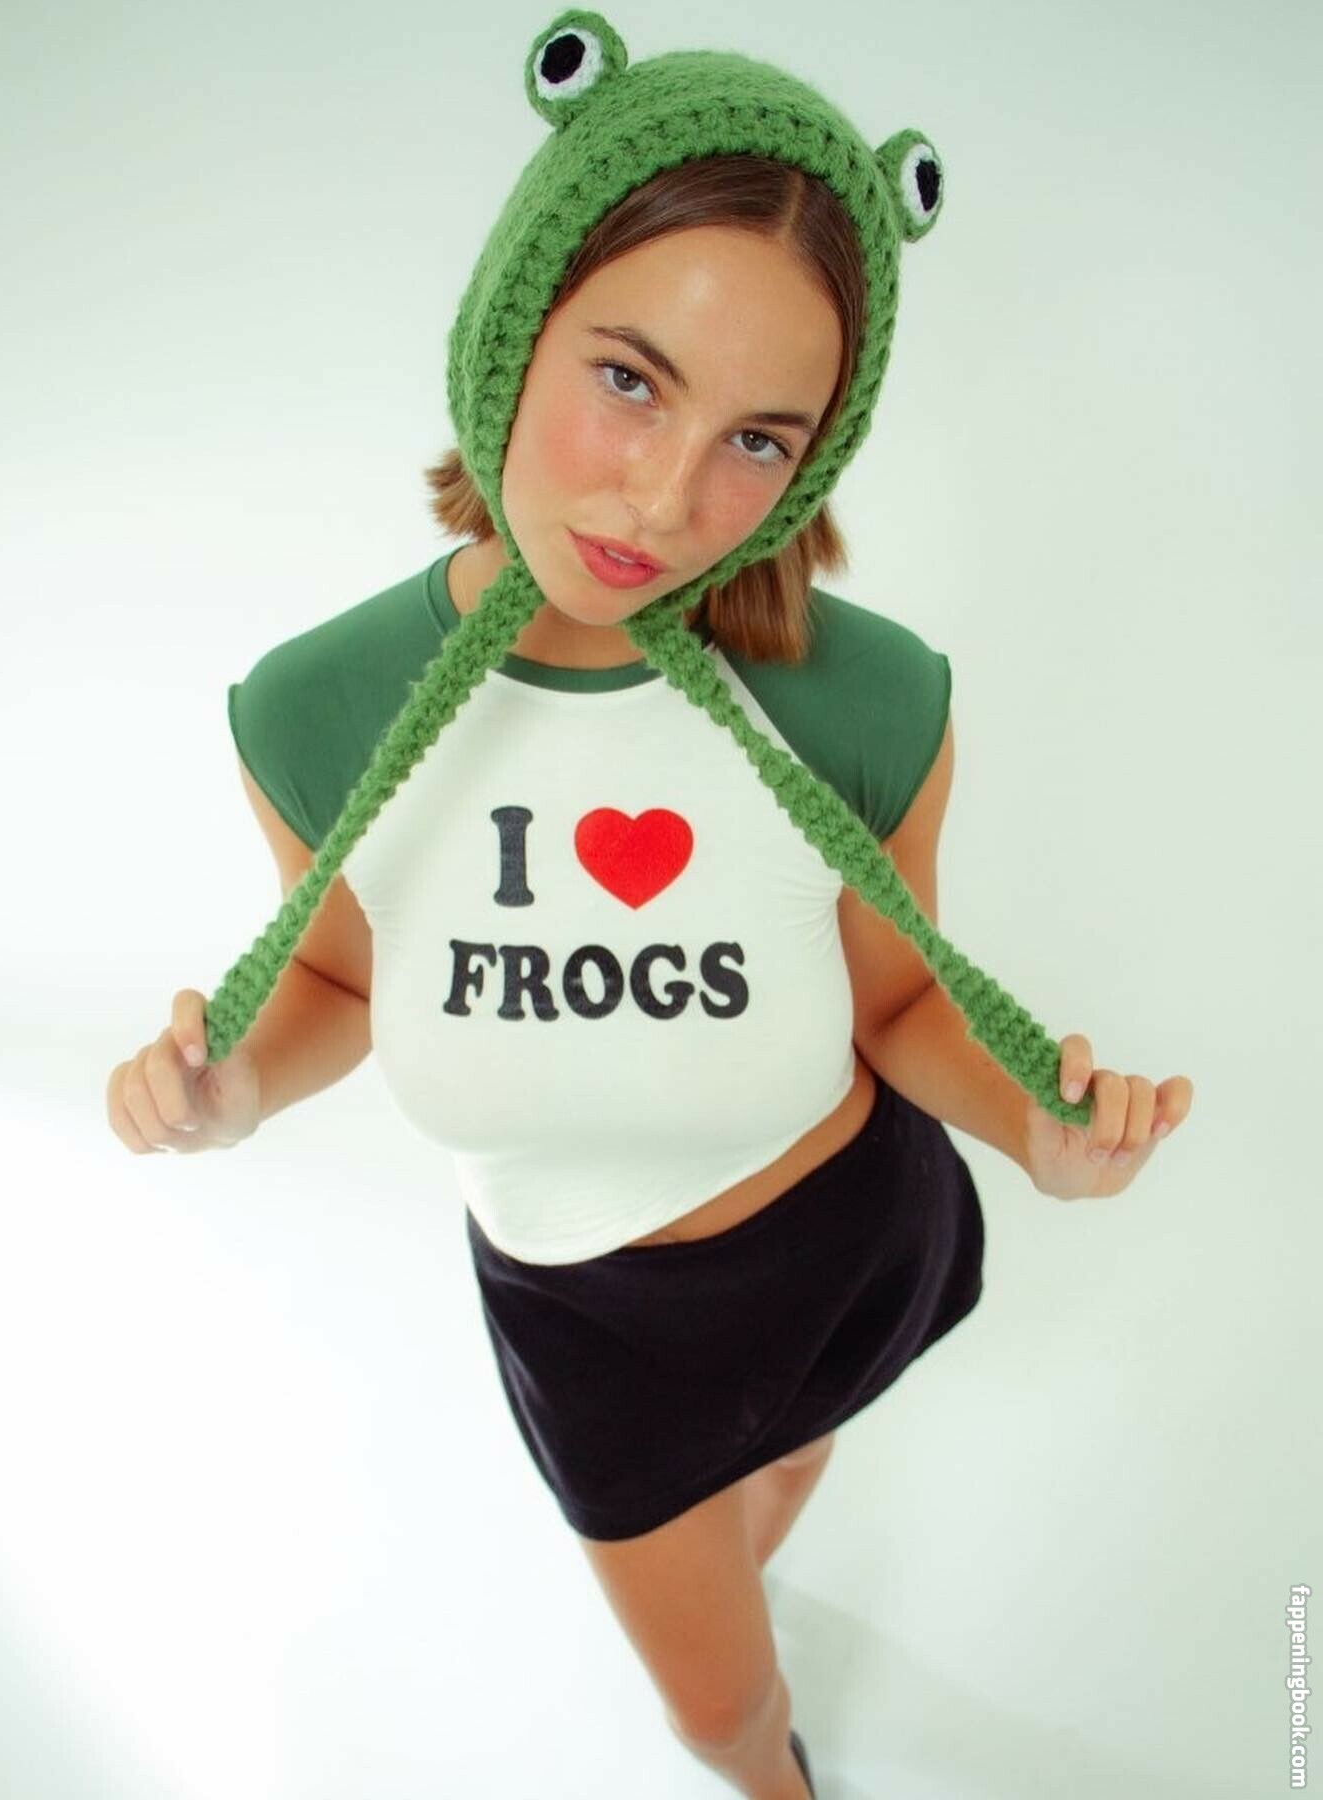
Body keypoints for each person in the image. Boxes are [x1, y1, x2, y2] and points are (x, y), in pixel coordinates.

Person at [107, 15, 1192, 1796]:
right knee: (714, 1711)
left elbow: (899, 1003)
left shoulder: (862, 699)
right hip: (597, 1331)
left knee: (786, 1476)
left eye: (759, 439)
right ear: (515, 328)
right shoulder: (321, 712)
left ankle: (751, 1543)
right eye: (628, 379)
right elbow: (344, 982)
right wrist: (233, 1090)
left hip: (848, 1238)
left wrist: (1037, 1137)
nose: (670, 500)